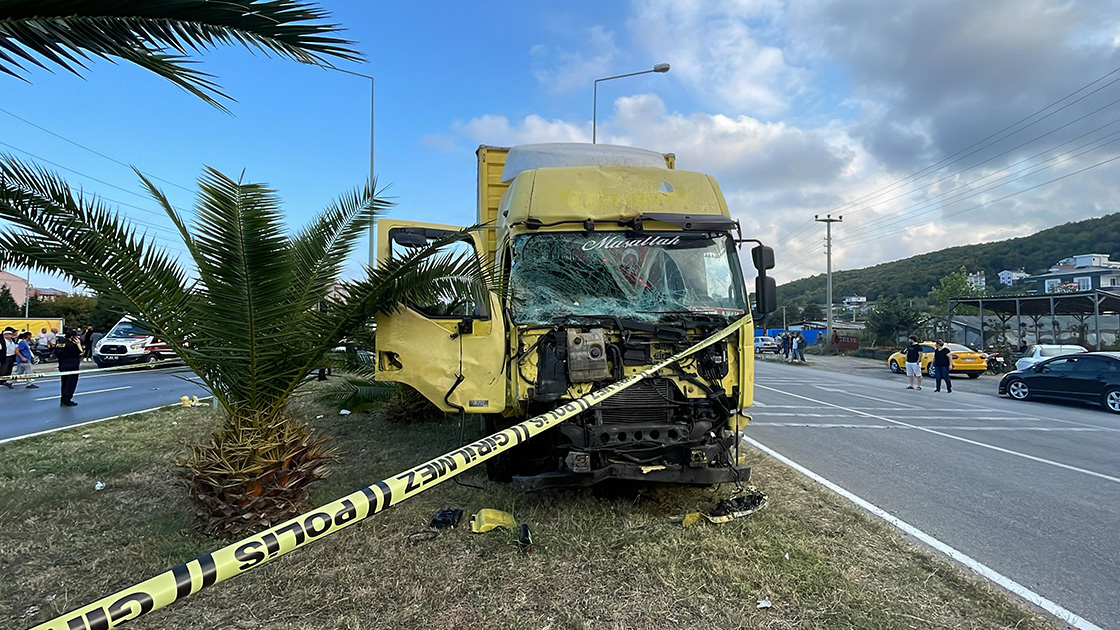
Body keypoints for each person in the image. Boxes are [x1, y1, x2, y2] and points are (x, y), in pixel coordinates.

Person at [54, 328, 83, 406]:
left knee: (64, 383)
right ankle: (67, 399)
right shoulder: (71, 345)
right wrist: (78, 344)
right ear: (73, 337)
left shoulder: (60, 343)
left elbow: (56, 352)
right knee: (70, 384)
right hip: (72, 366)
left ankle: (63, 398)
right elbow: (80, 353)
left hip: (62, 365)